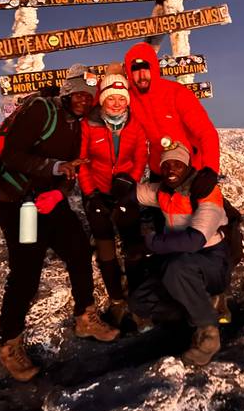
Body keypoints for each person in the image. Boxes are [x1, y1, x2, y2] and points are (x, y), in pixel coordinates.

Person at [0, 65, 119, 382]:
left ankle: (85, 317)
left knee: (78, 250)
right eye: (78, 92)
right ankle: (10, 344)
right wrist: (54, 168)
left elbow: (70, 169)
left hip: (50, 201)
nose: (83, 99)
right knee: (26, 271)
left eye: (88, 95)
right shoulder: (40, 110)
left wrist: (60, 189)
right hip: (20, 204)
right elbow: (12, 155)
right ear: (66, 91)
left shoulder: (76, 123)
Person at [127, 140, 232, 366]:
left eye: (177, 164)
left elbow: (194, 241)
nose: (171, 170)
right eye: (166, 165)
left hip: (211, 262)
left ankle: (208, 335)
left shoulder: (206, 193)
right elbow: (134, 193)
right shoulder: (164, 190)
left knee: (177, 268)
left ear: (187, 166)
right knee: (140, 301)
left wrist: (148, 244)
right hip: (178, 261)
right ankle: (202, 306)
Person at [78, 63, 148, 326]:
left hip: (124, 191)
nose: (117, 104)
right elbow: (82, 160)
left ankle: (139, 301)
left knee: (133, 246)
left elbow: (141, 155)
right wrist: (91, 195)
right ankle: (117, 301)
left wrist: (130, 179)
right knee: (106, 249)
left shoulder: (135, 125)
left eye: (122, 99)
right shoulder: (89, 125)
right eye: (112, 98)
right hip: (97, 193)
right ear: (103, 100)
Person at [124, 42, 220, 200]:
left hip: (189, 167)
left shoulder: (177, 93)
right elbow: (104, 101)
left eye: (146, 68)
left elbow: (206, 132)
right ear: (129, 72)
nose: (141, 76)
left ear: (154, 67)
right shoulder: (129, 99)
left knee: (207, 214)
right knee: (162, 219)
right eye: (135, 70)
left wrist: (210, 169)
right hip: (159, 169)